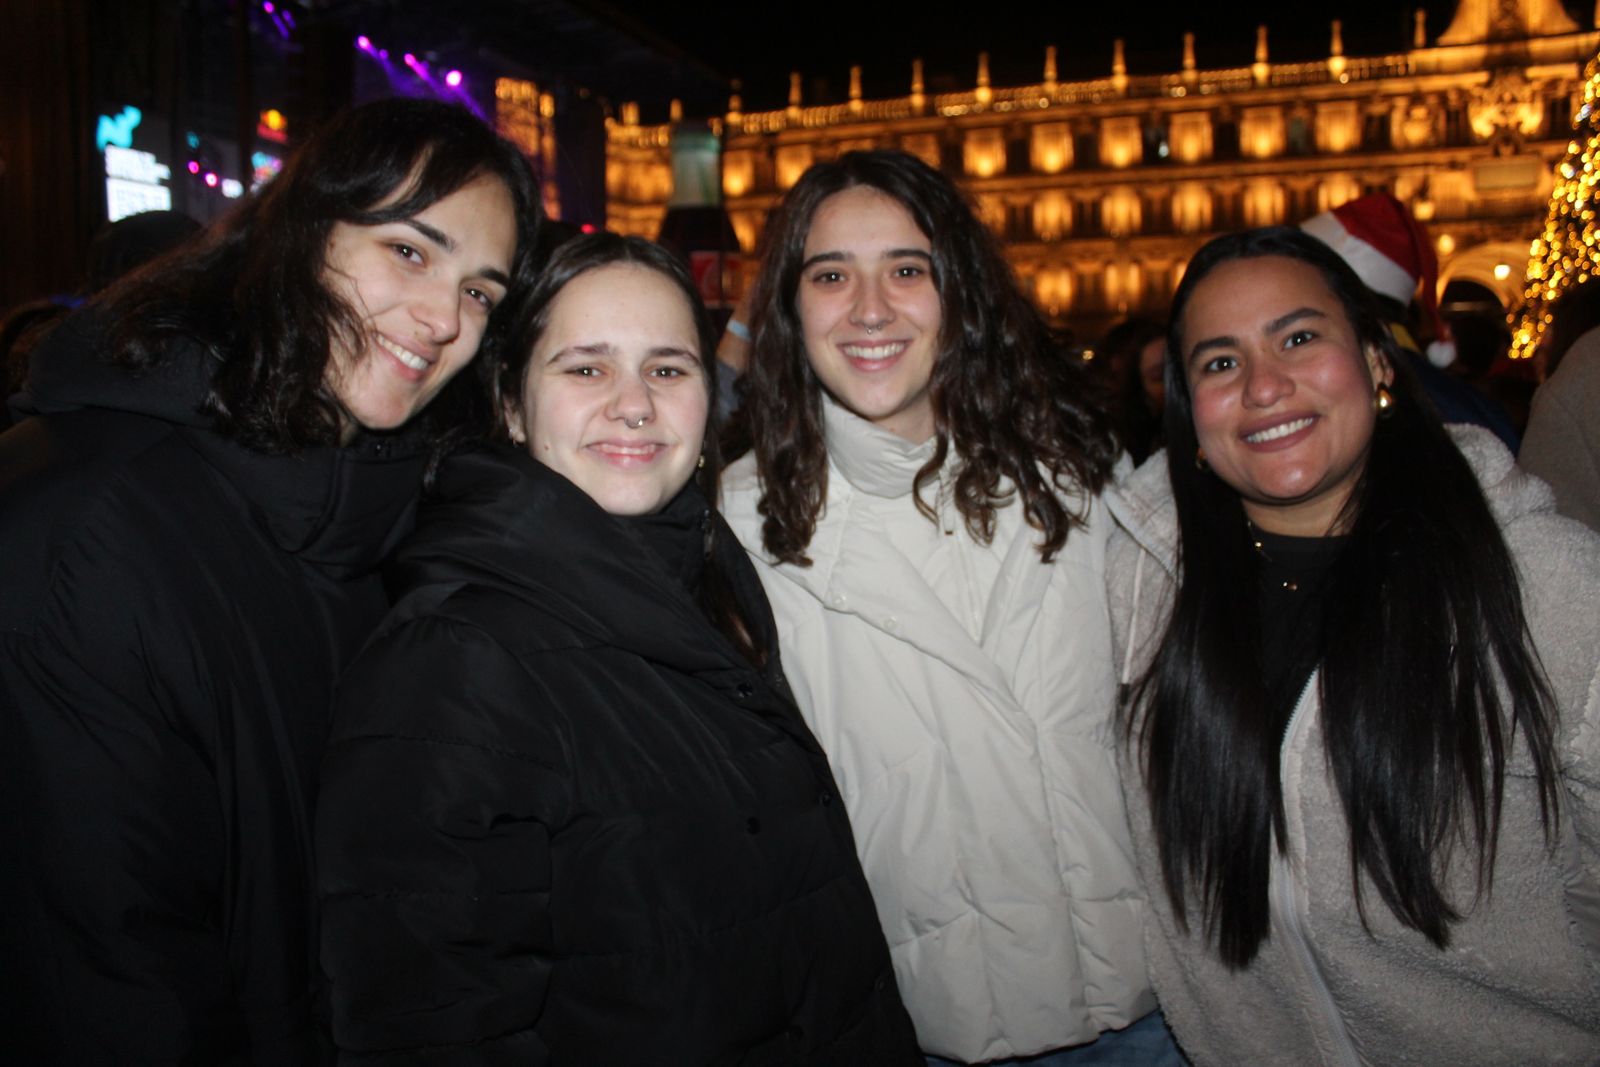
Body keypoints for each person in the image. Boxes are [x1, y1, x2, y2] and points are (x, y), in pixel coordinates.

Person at [0, 98, 541, 1064]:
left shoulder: (382, 518)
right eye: (411, 252)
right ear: (297, 230)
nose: (443, 319)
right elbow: (102, 972)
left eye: (481, 292)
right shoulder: (83, 523)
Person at [316, 233, 920, 1064]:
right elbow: (429, 1020)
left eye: (668, 369)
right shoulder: (454, 661)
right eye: (586, 368)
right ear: (512, 405)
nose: (634, 404)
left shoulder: (713, 582)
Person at [721, 149, 1178, 1065]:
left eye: (905, 268)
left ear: (958, 292)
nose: (871, 307)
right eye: (830, 275)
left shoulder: (1079, 474)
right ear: (790, 307)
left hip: (1156, 1009)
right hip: (936, 1029)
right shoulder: (743, 526)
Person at [1106, 226, 1600, 1065]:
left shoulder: (1535, 577)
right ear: (1190, 412)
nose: (1265, 385)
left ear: (1376, 362)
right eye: (1220, 363)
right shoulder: (1140, 587)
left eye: (1299, 337)